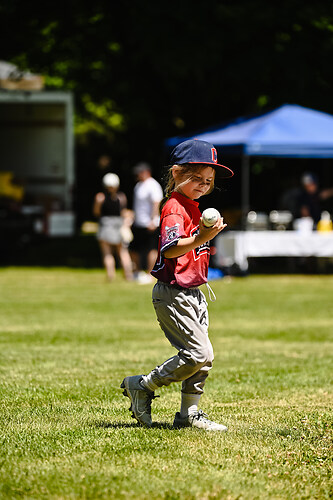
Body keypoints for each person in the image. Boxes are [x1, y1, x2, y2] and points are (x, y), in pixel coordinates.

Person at [121, 139, 234, 431]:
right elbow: (169, 249)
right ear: (176, 173)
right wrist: (202, 238)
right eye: (195, 178)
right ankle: (143, 385)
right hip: (174, 293)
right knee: (198, 354)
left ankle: (189, 414)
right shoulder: (174, 207)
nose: (203, 185)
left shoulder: (192, 207)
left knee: (204, 357)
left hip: (192, 292)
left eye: (208, 181)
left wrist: (205, 234)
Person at [93, 173, 133, 282]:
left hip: (105, 225)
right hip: (119, 225)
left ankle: (110, 276)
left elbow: (96, 212)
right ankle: (128, 275)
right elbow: (124, 212)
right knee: (123, 252)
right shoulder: (121, 197)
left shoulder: (100, 197)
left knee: (107, 253)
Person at [129, 162, 163, 283]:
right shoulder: (138, 185)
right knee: (134, 248)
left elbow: (156, 203)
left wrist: (153, 220)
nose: (138, 174)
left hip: (150, 223)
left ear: (147, 172)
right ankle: (137, 272)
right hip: (139, 222)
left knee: (151, 248)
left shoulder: (153, 185)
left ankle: (150, 274)